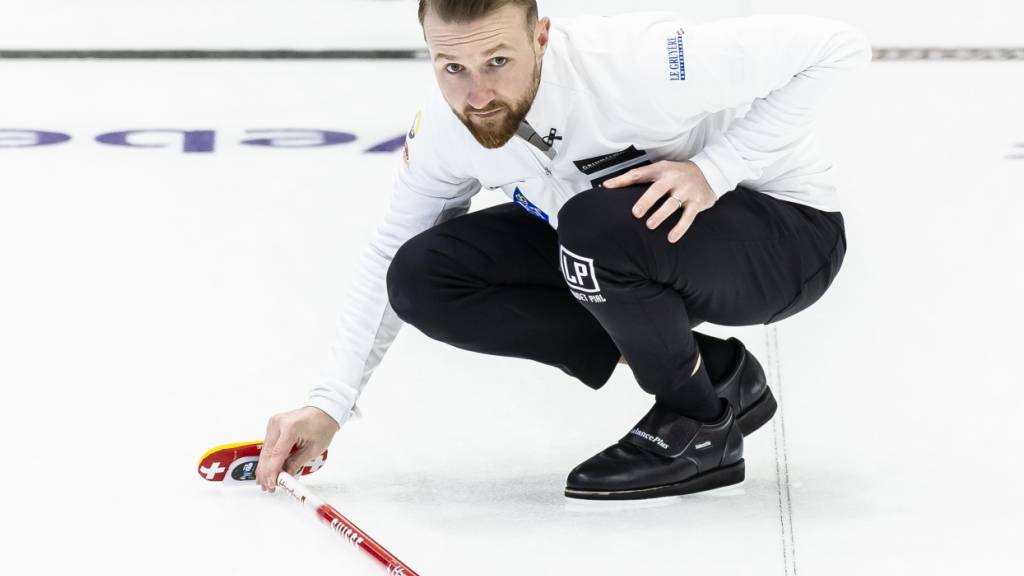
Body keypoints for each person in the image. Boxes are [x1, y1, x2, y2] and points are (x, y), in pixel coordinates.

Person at [256, 0, 870, 500]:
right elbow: (391, 247)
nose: (477, 95)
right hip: (624, 243)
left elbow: (836, 47)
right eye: (452, 67)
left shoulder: (641, 64)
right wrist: (329, 404)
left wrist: (715, 169)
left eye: (498, 60)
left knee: (591, 226)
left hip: (786, 237)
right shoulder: (450, 132)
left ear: (542, 35)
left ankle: (699, 428)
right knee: (423, 275)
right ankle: (714, 377)